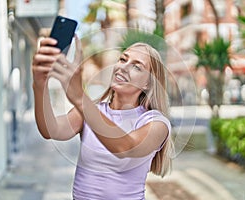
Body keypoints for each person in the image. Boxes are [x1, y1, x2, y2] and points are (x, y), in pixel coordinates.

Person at [32, 36, 173, 200]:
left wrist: (79, 97)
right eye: (123, 59)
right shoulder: (92, 112)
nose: (124, 68)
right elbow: (51, 130)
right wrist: (39, 85)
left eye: (136, 67)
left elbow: (125, 147)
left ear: (148, 83)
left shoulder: (156, 123)